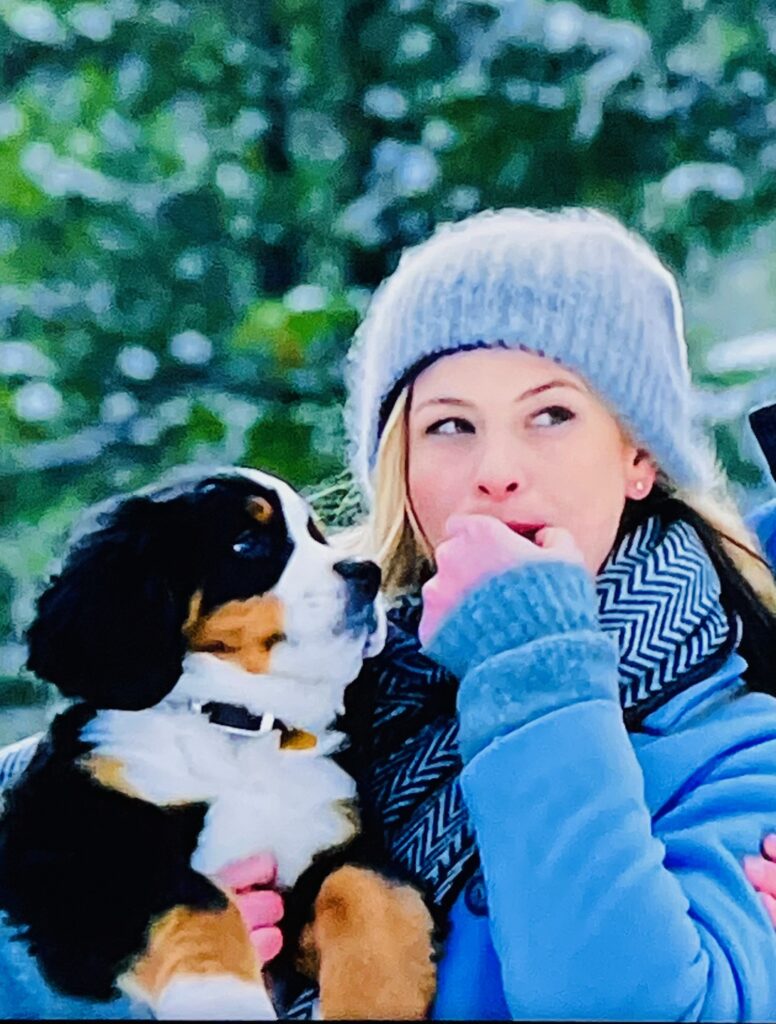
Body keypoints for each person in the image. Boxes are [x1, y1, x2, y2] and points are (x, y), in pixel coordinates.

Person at [1, 207, 776, 1021]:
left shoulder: (734, 747)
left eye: (553, 415)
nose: (497, 470)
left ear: (639, 457)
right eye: (449, 425)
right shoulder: (304, 691)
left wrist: (535, 660)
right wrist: (138, 959)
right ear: (399, 468)